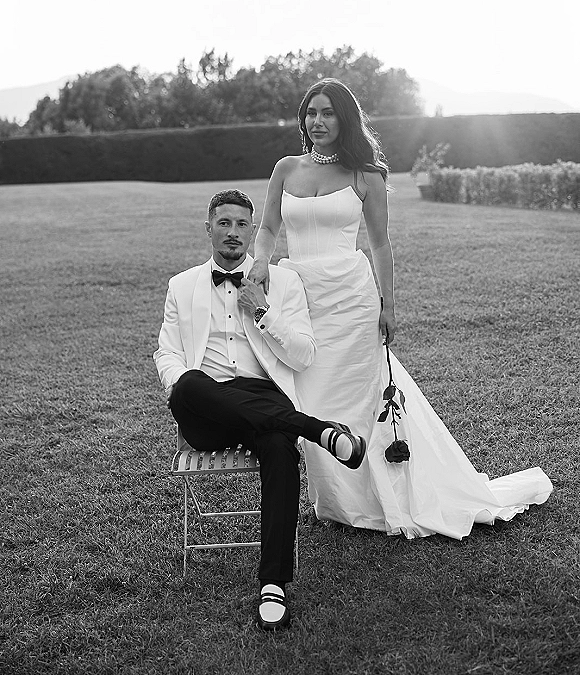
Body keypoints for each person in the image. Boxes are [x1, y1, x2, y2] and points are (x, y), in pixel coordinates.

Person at [248, 78, 552, 538]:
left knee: (360, 392)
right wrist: (263, 263)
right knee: (309, 392)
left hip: (350, 297)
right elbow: (268, 227)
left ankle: (379, 496)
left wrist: (389, 303)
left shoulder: (365, 174)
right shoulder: (286, 168)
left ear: (344, 119)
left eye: (328, 113)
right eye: (312, 112)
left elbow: (380, 243)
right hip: (298, 294)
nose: (318, 121)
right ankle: (336, 497)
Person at [153, 188, 366, 631]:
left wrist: (263, 311)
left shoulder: (283, 281)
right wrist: (180, 384)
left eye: (242, 224)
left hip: (263, 396)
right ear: (208, 228)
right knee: (188, 383)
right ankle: (319, 431)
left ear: (254, 231)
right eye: (224, 222)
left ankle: (274, 585)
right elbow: (166, 354)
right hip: (205, 404)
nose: (233, 232)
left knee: (278, 447)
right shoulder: (182, 284)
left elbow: (304, 355)